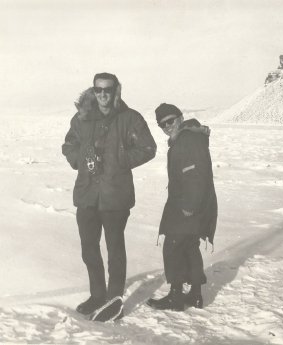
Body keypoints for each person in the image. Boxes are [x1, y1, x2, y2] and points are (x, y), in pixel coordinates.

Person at [62, 73, 157, 321]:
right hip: (87, 195)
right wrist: (80, 160)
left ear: (116, 91)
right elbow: (69, 145)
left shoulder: (129, 118)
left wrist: (119, 160)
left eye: (108, 90)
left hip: (115, 194)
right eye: (98, 90)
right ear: (93, 91)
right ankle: (97, 295)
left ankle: (114, 302)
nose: (103, 94)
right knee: (89, 248)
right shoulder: (81, 118)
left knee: (115, 249)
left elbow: (148, 148)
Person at [147, 103, 217, 311]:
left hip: (188, 204)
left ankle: (175, 296)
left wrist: (189, 205)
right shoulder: (187, 137)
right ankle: (195, 295)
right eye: (162, 125)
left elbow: (196, 172)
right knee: (189, 246)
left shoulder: (188, 139)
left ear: (180, 118)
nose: (167, 126)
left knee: (173, 246)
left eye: (170, 121)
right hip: (193, 203)